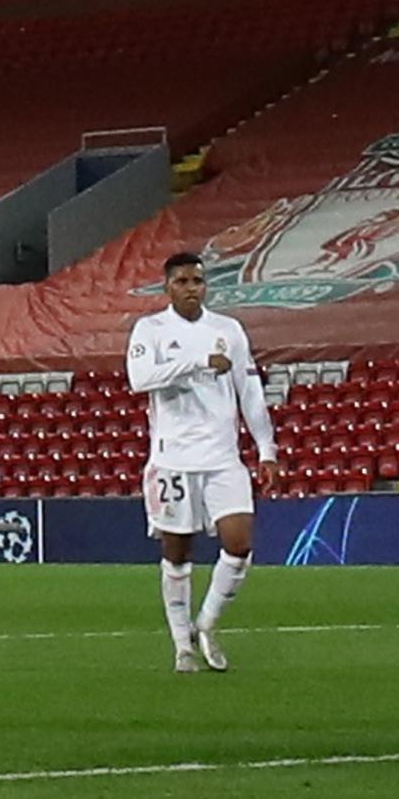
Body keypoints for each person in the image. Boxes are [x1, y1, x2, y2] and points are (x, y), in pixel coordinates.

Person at [126, 251, 281, 674]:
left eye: (198, 281)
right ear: (167, 287)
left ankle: (206, 625)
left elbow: (249, 392)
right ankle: (182, 647)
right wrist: (197, 362)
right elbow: (139, 379)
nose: (192, 288)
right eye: (182, 281)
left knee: (240, 543)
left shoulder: (227, 330)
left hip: (222, 458)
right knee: (177, 555)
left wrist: (266, 448)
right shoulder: (151, 329)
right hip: (172, 460)